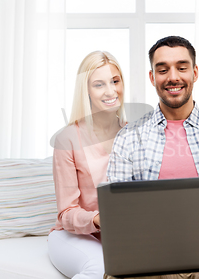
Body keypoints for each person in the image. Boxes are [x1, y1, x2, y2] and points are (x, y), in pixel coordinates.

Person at [105, 36, 199, 279]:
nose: (173, 77)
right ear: (152, 77)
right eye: (163, 69)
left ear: (195, 73)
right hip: (150, 256)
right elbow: (117, 215)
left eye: (182, 67)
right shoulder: (129, 136)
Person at [48, 51, 126, 279]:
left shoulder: (133, 133)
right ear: (86, 91)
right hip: (73, 234)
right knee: (100, 268)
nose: (111, 91)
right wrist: (96, 219)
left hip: (118, 235)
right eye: (99, 84)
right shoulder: (68, 138)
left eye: (115, 81)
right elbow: (66, 212)